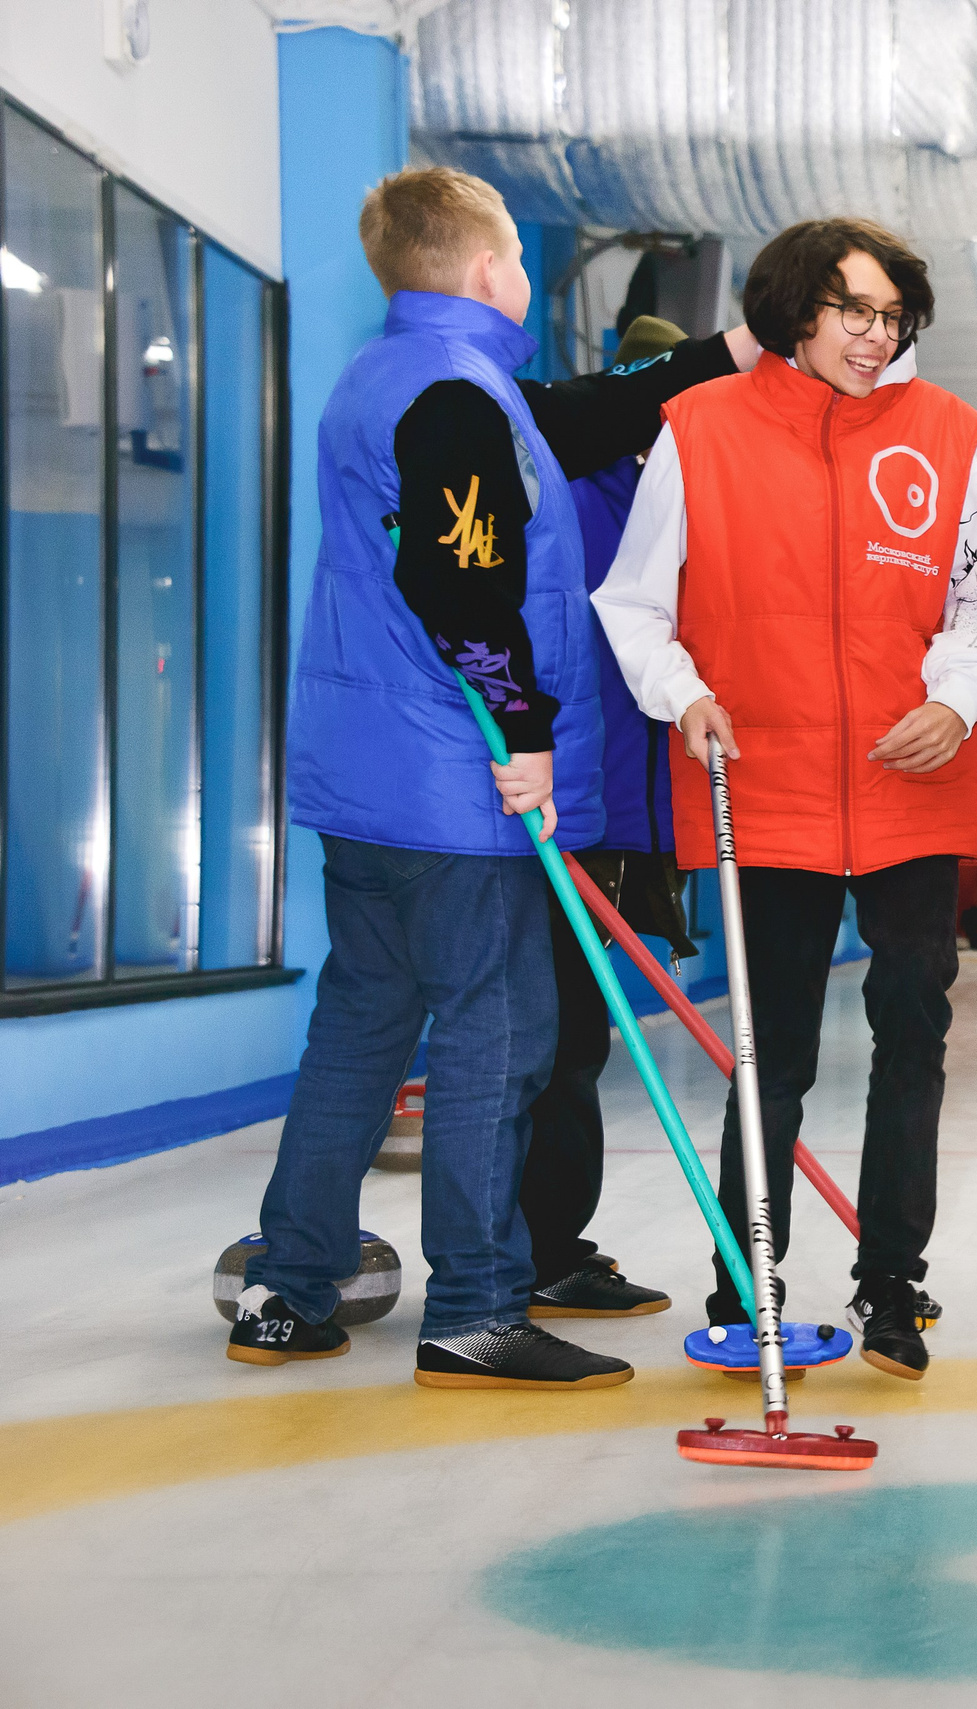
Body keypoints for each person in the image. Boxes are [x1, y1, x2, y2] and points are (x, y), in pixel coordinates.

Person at [234, 168, 759, 1387]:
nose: (524, 274)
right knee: (497, 1037)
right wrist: (524, 729)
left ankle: (287, 1282)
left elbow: (575, 415)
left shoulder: (401, 377)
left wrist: (736, 346)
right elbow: (457, 582)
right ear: (489, 267)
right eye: (519, 256)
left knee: (360, 1033)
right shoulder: (455, 401)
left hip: (365, 791)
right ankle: (474, 1305)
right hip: (452, 788)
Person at [593, 217, 977, 1381]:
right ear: (795, 309)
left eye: (892, 319)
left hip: (909, 780)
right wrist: (680, 694)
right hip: (762, 780)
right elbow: (633, 603)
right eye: (854, 312)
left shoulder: (944, 438)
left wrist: (959, 697)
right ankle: (747, 1279)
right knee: (768, 1045)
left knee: (913, 1031)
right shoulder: (701, 430)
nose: (875, 338)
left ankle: (892, 1280)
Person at [511, 314, 700, 1323]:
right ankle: (536, 1249)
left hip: (613, 821)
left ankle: (538, 1244)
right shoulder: (580, 495)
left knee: (570, 1037)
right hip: (563, 816)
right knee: (555, 1039)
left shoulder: (656, 495)